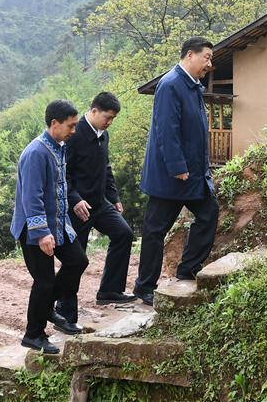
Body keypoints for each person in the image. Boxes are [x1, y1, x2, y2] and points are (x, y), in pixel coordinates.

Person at [133, 36, 219, 306]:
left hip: (193, 174)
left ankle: (187, 269)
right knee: (155, 230)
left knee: (208, 213)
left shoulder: (193, 86)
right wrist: (177, 166)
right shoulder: (170, 84)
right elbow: (166, 130)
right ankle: (145, 287)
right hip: (172, 177)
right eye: (206, 57)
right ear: (190, 55)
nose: (209, 63)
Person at [10, 100, 89, 354]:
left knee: (78, 261)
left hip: (58, 223)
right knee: (43, 282)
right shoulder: (36, 152)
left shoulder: (59, 147)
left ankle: (46, 309)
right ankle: (33, 334)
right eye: (71, 125)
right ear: (54, 124)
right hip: (35, 228)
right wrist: (41, 232)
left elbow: (59, 187)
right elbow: (31, 197)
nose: (74, 130)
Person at [54, 92, 136, 325]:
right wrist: (75, 199)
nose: (109, 122)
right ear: (93, 111)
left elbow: (106, 168)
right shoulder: (74, 134)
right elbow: (62, 173)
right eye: (107, 117)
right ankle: (65, 310)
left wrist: (114, 196)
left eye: (113, 119)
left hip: (100, 203)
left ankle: (110, 290)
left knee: (124, 234)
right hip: (78, 208)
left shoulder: (104, 135)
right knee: (76, 260)